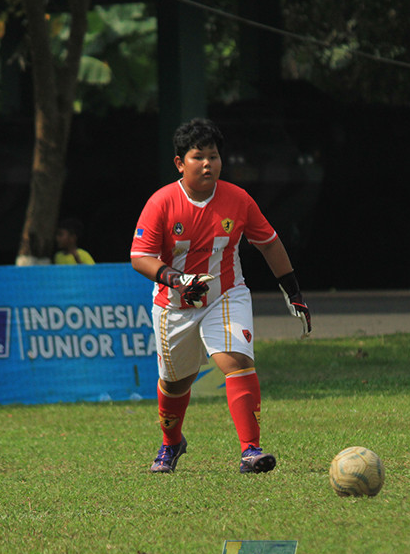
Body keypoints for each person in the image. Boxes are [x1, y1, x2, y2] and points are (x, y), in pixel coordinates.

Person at [130, 118, 311, 474]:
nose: (208, 164)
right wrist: (177, 280)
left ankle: (250, 450)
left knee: (236, 360)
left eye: (213, 156)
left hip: (225, 296)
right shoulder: (161, 202)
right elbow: (140, 257)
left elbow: (269, 243)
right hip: (174, 305)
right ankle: (171, 443)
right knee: (176, 383)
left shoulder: (238, 199)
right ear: (180, 163)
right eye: (198, 157)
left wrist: (293, 291)